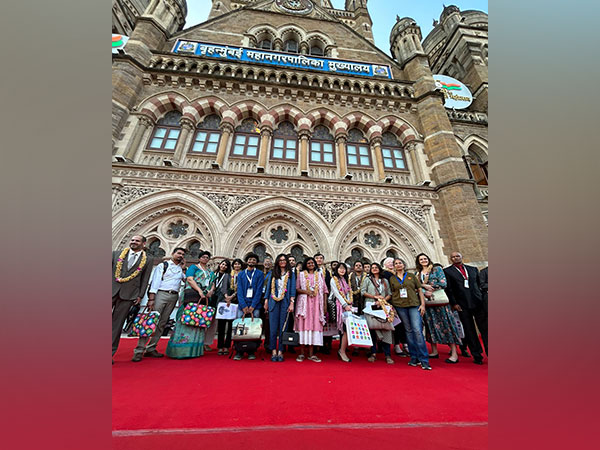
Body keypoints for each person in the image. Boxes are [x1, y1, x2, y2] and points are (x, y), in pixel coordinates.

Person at [131, 247, 187, 362]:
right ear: (172, 253)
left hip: (173, 296)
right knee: (151, 321)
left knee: (162, 323)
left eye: (182, 254)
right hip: (161, 294)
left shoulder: (180, 269)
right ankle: (139, 350)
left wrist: (184, 268)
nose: (180, 256)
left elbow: (185, 281)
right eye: (178, 253)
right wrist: (151, 299)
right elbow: (155, 282)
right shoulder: (163, 266)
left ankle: (151, 348)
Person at [165, 251, 215, 359]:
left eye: (207, 257)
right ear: (199, 258)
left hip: (203, 297)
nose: (205, 259)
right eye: (203, 257)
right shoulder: (193, 268)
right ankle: (180, 350)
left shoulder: (210, 271)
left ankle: (195, 350)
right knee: (187, 318)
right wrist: (199, 291)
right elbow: (190, 279)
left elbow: (212, 284)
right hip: (192, 295)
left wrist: (210, 291)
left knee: (199, 319)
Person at [112, 235, 153, 362]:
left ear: (144, 244)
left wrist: (140, 295)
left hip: (129, 294)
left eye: (137, 241)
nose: (134, 242)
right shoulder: (116, 254)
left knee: (117, 325)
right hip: (111, 290)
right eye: (132, 240)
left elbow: (145, 279)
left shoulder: (148, 259)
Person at [415, 253, 461, 364]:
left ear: (428, 259)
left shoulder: (437, 269)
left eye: (425, 258)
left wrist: (432, 289)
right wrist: (424, 287)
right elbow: (417, 286)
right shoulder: (418, 273)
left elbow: (443, 283)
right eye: (421, 259)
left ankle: (454, 353)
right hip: (428, 304)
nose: (423, 260)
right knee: (430, 326)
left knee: (447, 325)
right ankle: (434, 351)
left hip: (440, 303)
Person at [444, 252, 488, 365]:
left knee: (485, 329)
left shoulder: (473, 269)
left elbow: (479, 285)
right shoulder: (448, 271)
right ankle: (477, 355)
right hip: (462, 304)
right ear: (450, 259)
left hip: (477, 302)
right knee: (469, 330)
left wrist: (482, 299)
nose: (455, 258)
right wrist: (454, 303)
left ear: (461, 257)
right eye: (453, 257)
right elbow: (449, 289)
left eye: (457, 256)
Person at [389, 258, 432, 370]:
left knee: (417, 330)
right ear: (394, 266)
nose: (398, 265)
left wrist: (422, 305)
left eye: (400, 263)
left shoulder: (411, 276)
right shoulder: (392, 279)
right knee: (408, 331)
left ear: (404, 264)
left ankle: (424, 359)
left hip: (414, 305)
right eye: (396, 263)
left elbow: (419, 290)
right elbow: (392, 293)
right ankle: (414, 357)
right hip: (400, 306)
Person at [264, 254, 296, 362]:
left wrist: (292, 303)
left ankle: (281, 351)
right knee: (273, 328)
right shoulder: (273, 273)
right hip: (273, 301)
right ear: (277, 262)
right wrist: (266, 301)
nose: (282, 262)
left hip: (285, 302)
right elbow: (268, 288)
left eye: (284, 260)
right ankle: (273, 350)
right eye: (280, 260)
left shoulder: (291, 274)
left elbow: (292, 290)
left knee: (283, 327)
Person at [294, 257, 326, 362]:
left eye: (312, 263)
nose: (311, 264)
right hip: (304, 304)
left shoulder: (320, 275)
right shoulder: (301, 274)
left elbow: (325, 290)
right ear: (305, 265)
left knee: (314, 327)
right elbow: (297, 289)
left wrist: (325, 305)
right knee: (304, 327)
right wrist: (306, 292)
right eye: (308, 263)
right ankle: (302, 353)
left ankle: (312, 354)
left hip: (317, 304)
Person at [361, 263, 394, 364]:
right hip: (370, 306)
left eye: (376, 267)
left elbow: (389, 294)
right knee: (372, 330)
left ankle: (387, 354)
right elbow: (363, 292)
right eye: (372, 268)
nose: (374, 269)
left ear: (379, 269)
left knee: (386, 329)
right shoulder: (367, 279)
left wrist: (383, 300)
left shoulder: (385, 281)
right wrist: (374, 297)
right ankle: (373, 353)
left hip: (383, 306)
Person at [234, 252, 265, 360]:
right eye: (250, 259)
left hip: (255, 306)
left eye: (254, 260)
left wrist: (253, 305)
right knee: (239, 328)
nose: (251, 261)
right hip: (242, 305)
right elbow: (240, 291)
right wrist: (243, 305)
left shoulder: (260, 274)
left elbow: (259, 291)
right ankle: (239, 351)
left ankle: (252, 350)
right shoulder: (241, 274)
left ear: (256, 262)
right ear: (247, 261)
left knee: (254, 329)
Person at [382, 256, 409, 357]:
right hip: (391, 302)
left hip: (402, 301)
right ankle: (397, 345)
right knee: (396, 325)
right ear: (385, 265)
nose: (392, 264)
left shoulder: (400, 274)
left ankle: (405, 344)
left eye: (393, 262)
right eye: (389, 263)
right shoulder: (386, 274)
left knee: (403, 323)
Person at [330, 263, 354, 363]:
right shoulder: (333, 279)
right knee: (343, 329)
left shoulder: (345, 280)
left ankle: (342, 350)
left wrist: (350, 303)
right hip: (339, 306)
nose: (342, 270)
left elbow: (348, 292)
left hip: (347, 307)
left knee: (346, 329)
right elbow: (336, 293)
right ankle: (342, 351)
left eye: (344, 269)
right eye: (340, 268)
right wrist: (345, 305)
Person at [211, 259, 232, 355]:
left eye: (226, 265)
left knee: (226, 324)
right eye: (222, 264)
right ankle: (218, 345)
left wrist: (227, 296)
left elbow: (226, 288)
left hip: (223, 300)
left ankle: (226, 346)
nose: (223, 266)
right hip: (212, 298)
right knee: (217, 325)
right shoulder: (213, 274)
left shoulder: (227, 275)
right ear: (219, 264)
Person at [314, 252, 332, 354]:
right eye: (317, 258)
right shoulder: (310, 271)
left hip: (324, 299)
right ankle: (315, 345)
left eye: (321, 258)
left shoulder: (327, 272)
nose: (319, 260)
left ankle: (326, 344)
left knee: (325, 322)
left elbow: (328, 286)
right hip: (313, 299)